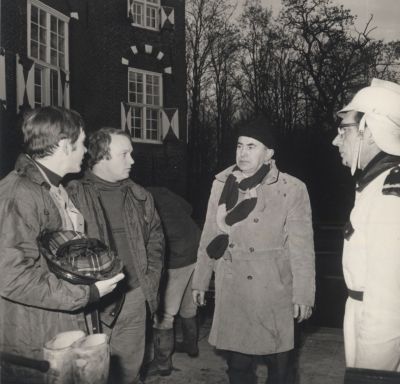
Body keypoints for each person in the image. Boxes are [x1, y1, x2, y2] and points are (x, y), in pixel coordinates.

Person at [0, 107, 124, 384]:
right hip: (34, 338)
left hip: (58, 328)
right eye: (81, 144)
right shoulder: (18, 194)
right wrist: (87, 294)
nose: (85, 152)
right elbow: (10, 276)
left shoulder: (53, 188)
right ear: (65, 145)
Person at [192, 116, 315, 384]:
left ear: (269, 153)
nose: (243, 153)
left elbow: (302, 248)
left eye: (251, 146)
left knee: (281, 370)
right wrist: (200, 279)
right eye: (239, 146)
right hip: (234, 285)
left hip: (273, 289)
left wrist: (304, 295)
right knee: (237, 369)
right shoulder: (222, 184)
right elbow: (210, 236)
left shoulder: (291, 188)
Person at [67, 127, 164, 384]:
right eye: (125, 154)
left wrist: (149, 281)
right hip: (93, 303)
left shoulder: (140, 196)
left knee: (129, 373)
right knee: (90, 375)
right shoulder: (72, 194)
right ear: (102, 156)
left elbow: (156, 241)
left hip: (134, 297)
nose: (132, 161)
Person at [333, 78, 400, 371]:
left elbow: (388, 305)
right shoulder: (373, 186)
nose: (336, 140)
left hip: (376, 327)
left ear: (369, 131)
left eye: (343, 129)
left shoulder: (389, 195)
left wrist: (371, 374)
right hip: (360, 314)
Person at [145, 187, 201, 377]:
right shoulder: (160, 190)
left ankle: (162, 365)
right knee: (189, 306)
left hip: (176, 256)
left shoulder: (137, 197)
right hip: (196, 247)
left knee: (163, 315)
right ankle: (191, 346)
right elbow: (189, 208)